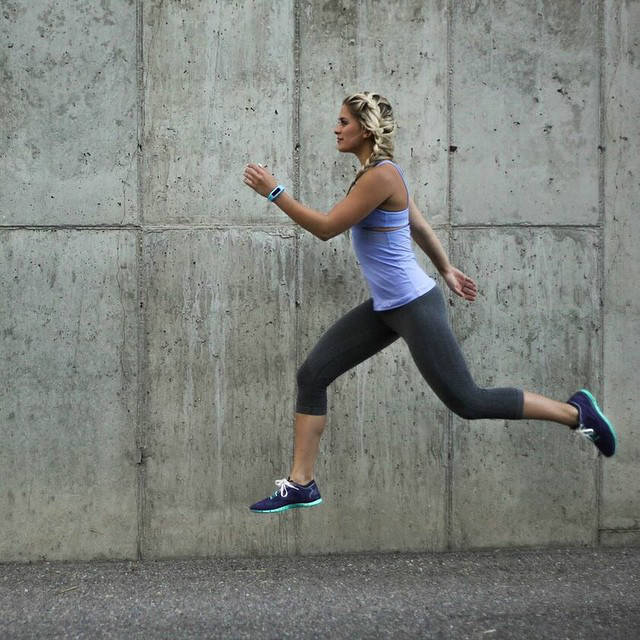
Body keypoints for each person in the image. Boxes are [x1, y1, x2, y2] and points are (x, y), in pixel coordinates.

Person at [242, 91, 617, 514]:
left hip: (413, 305)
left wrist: (275, 193)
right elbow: (416, 223)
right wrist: (446, 268)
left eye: (343, 122)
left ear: (365, 129)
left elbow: (327, 228)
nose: (336, 128)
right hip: (387, 307)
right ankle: (301, 483)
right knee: (312, 375)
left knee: (468, 401)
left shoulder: (380, 176)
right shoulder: (379, 173)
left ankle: (575, 412)